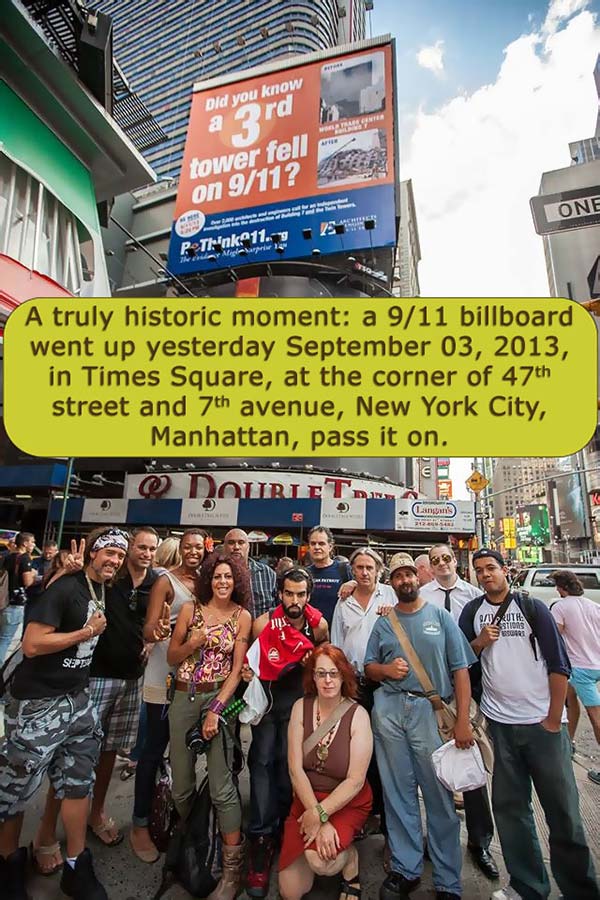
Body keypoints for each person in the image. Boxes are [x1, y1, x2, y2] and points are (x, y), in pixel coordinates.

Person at [460, 549, 599, 900]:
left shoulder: (532, 607)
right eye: (479, 570)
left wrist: (554, 719)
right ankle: (527, 885)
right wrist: (480, 642)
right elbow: (460, 659)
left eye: (491, 568)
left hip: (542, 725)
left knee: (564, 813)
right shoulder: (473, 612)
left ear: (505, 570)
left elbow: (559, 664)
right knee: (510, 811)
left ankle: (580, 889)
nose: (486, 574)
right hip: (500, 725)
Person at [0, 526, 128, 900]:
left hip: (77, 700)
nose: (114, 560)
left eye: (119, 556)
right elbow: (34, 643)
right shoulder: (66, 586)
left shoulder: (102, 587)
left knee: (78, 782)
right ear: (91, 553)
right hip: (37, 704)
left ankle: (76, 864)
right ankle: (8, 865)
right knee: (15, 788)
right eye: (109, 553)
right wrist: (84, 633)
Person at [364, 552, 477, 900]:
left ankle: (447, 880)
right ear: (391, 583)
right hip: (390, 711)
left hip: (431, 712)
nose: (404, 581)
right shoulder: (384, 621)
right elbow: (369, 666)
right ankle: (406, 868)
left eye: (409, 574)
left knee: (439, 795)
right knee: (398, 794)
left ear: (420, 576)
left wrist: (461, 721)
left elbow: (460, 669)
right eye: (397, 576)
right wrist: (386, 671)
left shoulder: (440, 617)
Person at [167, 554, 252, 900]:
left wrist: (217, 709)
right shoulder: (190, 610)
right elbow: (172, 657)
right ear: (208, 580)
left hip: (219, 698)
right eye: (217, 576)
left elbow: (236, 670)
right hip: (184, 698)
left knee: (221, 787)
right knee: (182, 787)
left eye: (228, 577)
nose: (222, 582)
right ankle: (196, 843)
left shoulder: (242, 616)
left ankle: (232, 870)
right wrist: (193, 642)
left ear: (237, 582)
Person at [245, 566, 329, 898]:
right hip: (268, 706)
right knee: (262, 765)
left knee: (291, 770)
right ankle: (261, 842)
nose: (294, 600)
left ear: (308, 596)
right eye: (289, 594)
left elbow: (325, 663)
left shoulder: (317, 624)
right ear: (280, 594)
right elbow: (250, 662)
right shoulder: (263, 623)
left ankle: (285, 834)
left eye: (301, 594)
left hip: (300, 709)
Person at [420, 544, 499, 880]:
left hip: (470, 688)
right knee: (430, 767)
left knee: (471, 765)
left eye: (446, 559)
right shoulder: (421, 595)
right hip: (431, 692)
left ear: (456, 561)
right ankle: (436, 838)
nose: (441, 564)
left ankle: (479, 842)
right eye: (435, 560)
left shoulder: (473, 595)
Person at [130, 529, 204, 862]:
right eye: (187, 547)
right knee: (152, 749)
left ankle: (175, 812)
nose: (193, 552)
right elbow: (147, 627)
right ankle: (140, 824)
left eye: (198, 547)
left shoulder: (206, 580)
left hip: (193, 678)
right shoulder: (164, 581)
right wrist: (156, 631)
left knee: (184, 750)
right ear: (180, 549)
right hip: (163, 674)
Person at [279, 643, 373, 900]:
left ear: (344, 676)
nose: (328, 680)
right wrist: (314, 813)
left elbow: (355, 781)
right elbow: (294, 768)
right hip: (307, 797)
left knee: (322, 862)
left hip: (346, 801)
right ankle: (329, 848)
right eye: (321, 674)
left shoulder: (358, 715)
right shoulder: (301, 707)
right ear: (313, 677)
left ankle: (350, 858)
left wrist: (321, 814)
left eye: (334, 673)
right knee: (290, 891)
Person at [331, 547, 396, 835]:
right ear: (352, 571)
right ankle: (363, 811)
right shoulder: (343, 601)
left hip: (386, 684)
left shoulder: (391, 596)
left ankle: (386, 817)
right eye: (359, 567)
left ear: (379, 570)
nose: (365, 572)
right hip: (354, 685)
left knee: (386, 751)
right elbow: (336, 645)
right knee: (358, 752)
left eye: (370, 567)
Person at [548, 569, 600, 786]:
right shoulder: (593, 605)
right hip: (595, 663)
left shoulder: (561, 607)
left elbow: (554, 634)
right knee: (570, 700)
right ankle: (568, 742)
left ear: (561, 588)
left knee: (596, 717)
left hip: (579, 668)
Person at [0, 532, 36, 665]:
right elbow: (27, 581)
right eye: (32, 542)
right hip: (15, 603)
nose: (33, 545)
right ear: (25, 543)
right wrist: (34, 575)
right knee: (5, 639)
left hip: (2, 600)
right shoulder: (25, 558)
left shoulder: (7, 557)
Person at [306, 527, 353, 628]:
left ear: (330, 547)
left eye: (321, 543)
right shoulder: (305, 574)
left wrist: (354, 583)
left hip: (340, 633)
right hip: (312, 634)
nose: (317, 547)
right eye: (313, 543)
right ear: (309, 547)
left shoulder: (344, 570)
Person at [223, 528, 277, 617]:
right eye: (231, 543)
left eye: (241, 542)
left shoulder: (268, 574)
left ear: (248, 547)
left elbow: (278, 609)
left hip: (262, 630)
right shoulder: (217, 575)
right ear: (224, 547)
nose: (236, 547)